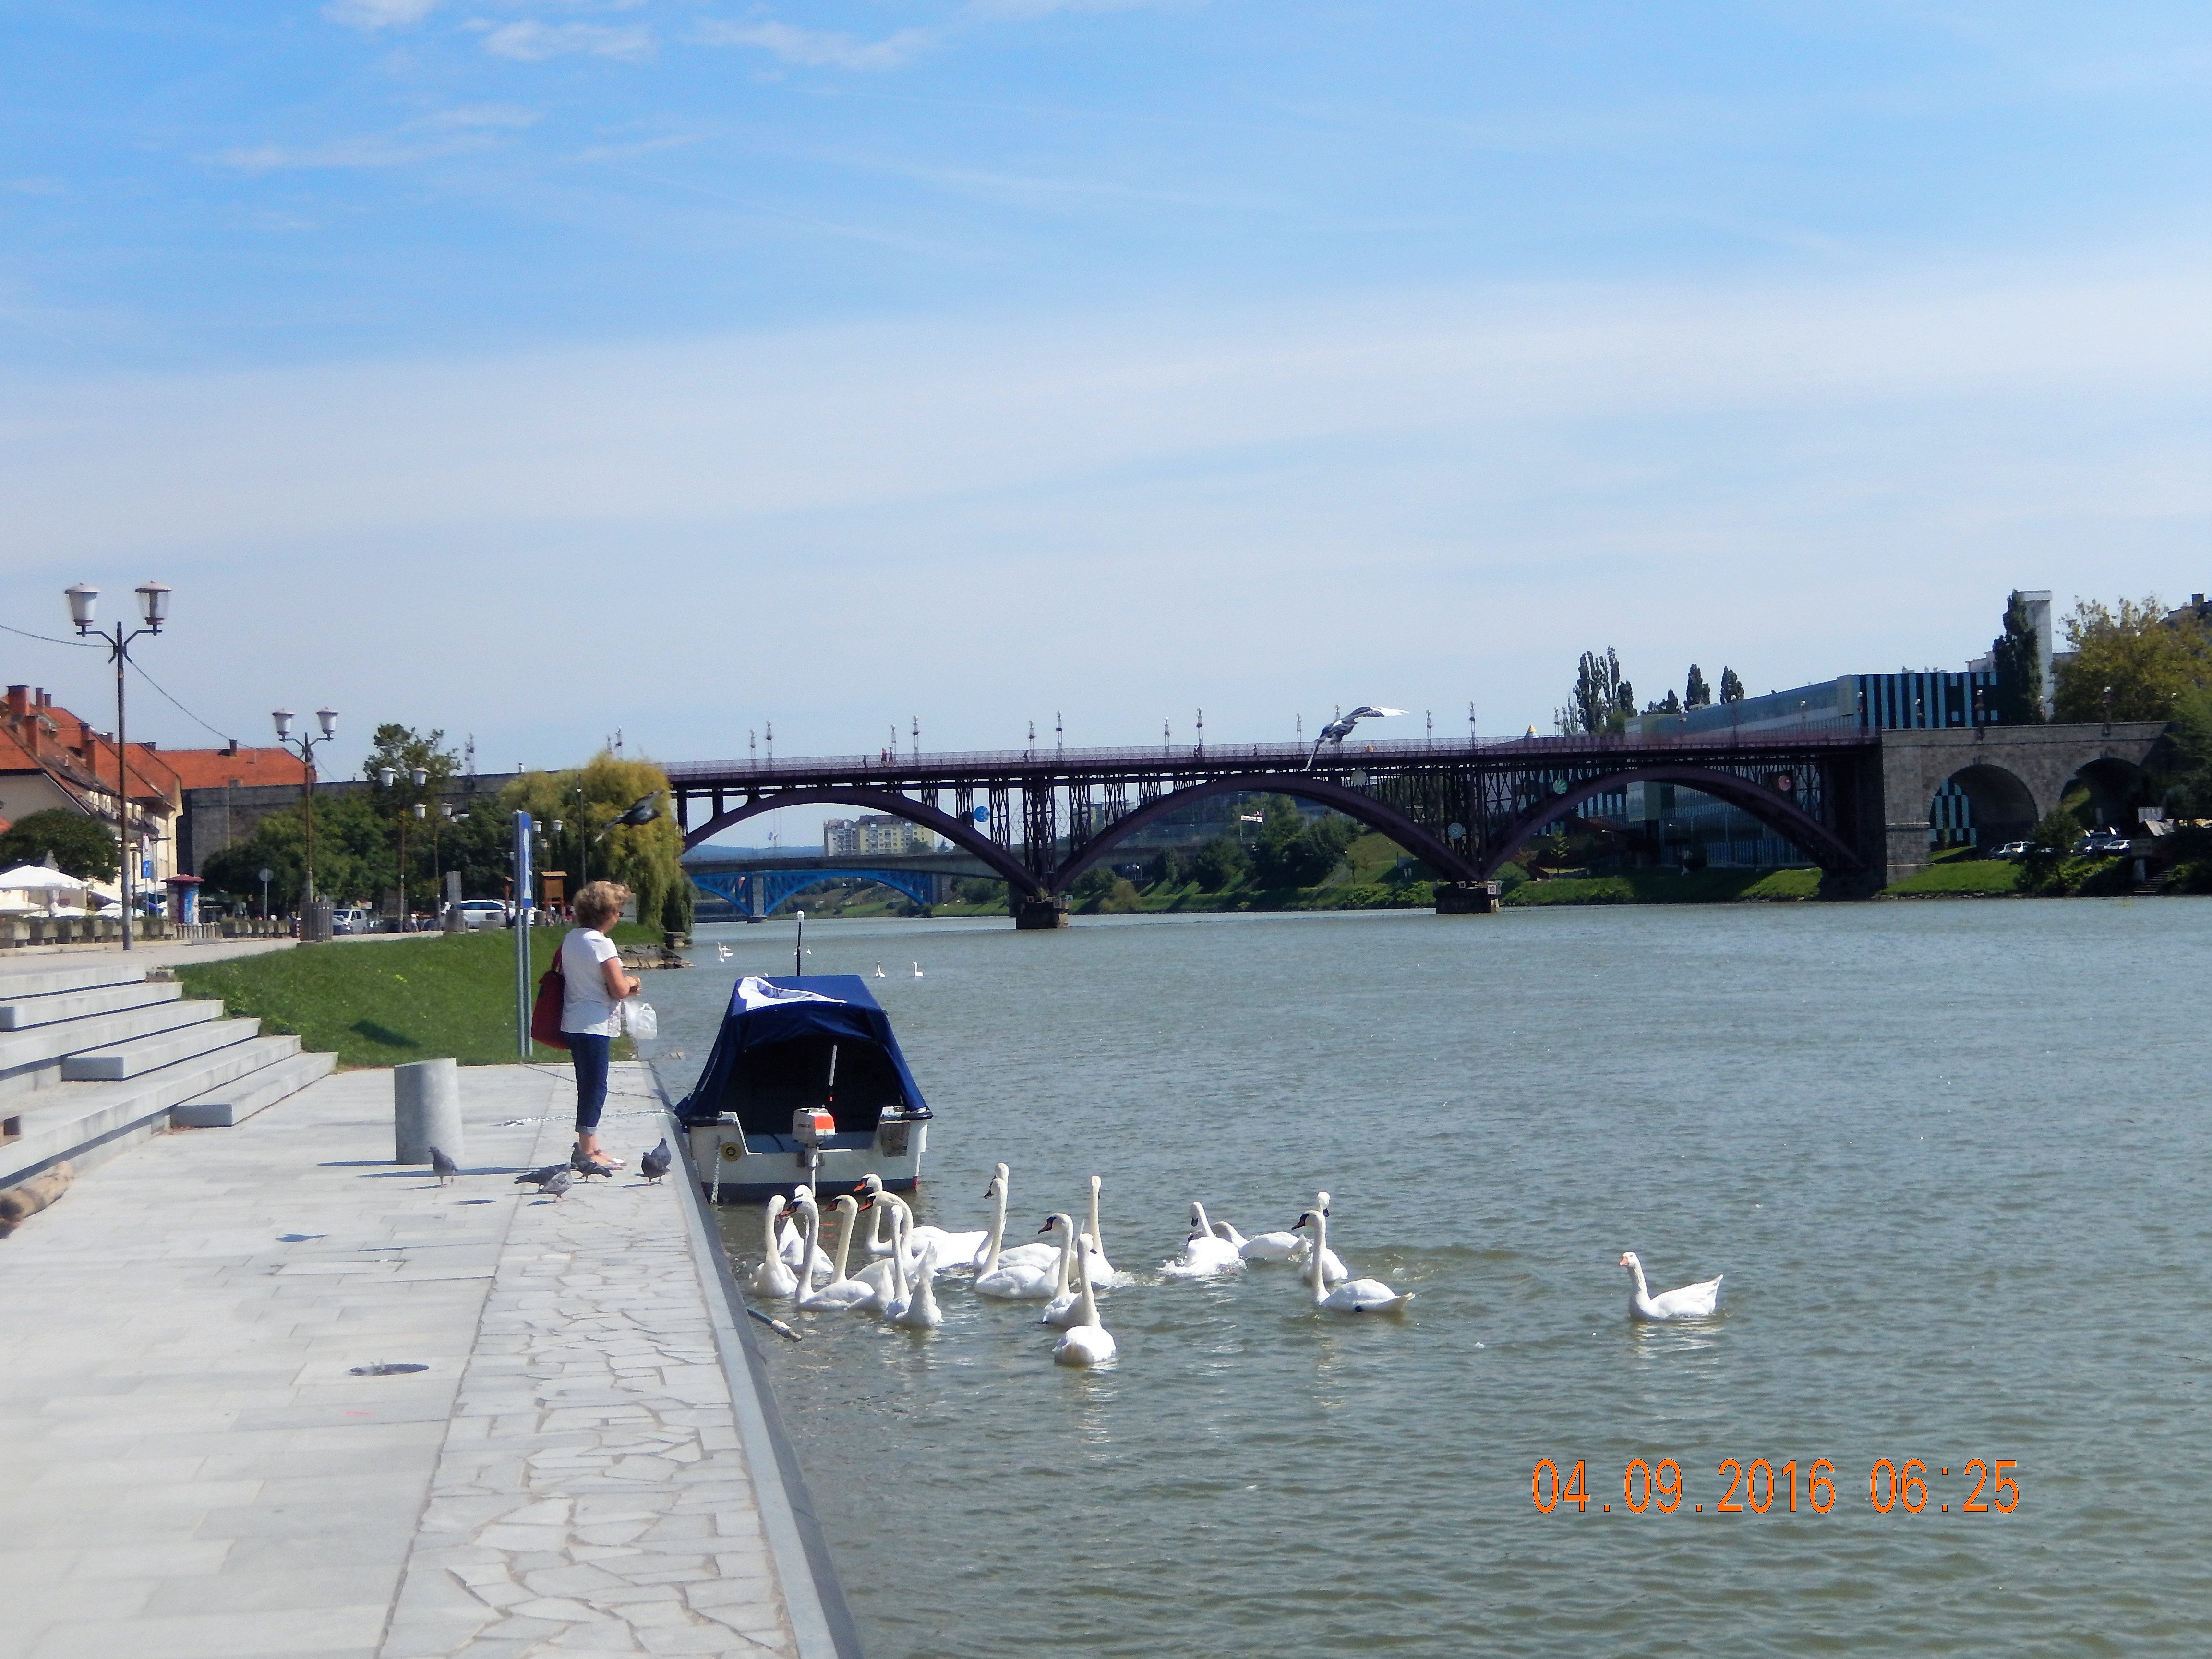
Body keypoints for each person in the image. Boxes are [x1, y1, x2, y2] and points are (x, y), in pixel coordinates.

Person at [561, 880, 641, 1168]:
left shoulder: (572, 939)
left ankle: (592, 1146)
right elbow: (618, 989)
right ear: (605, 912)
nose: (619, 917)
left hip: (573, 1021)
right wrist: (633, 981)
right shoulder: (601, 943)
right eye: (618, 911)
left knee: (587, 1086)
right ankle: (588, 1150)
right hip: (595, 1024)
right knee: (596, 1088)